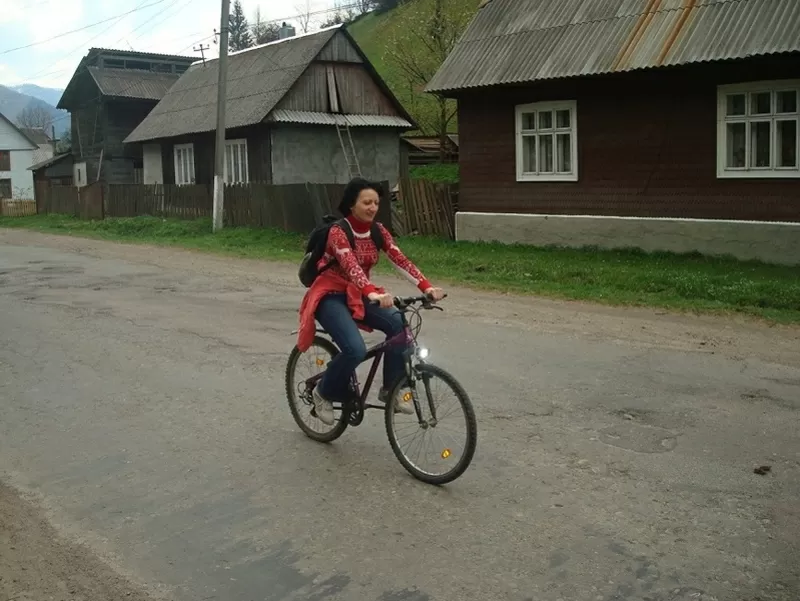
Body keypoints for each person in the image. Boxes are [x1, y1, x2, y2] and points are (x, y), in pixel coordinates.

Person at [296, 178, 445, 425]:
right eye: (366, 202)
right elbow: (351, 266)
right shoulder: (338, 232)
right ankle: (323, 393)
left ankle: (390, 390)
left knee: (400, 326)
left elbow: (400, 260)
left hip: (359, 293)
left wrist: (427, 286)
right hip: (330, 294)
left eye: (376, 202)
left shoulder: (378, 231)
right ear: (352, 204)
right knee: (355, 349)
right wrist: (372, 292)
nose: (372, 207)